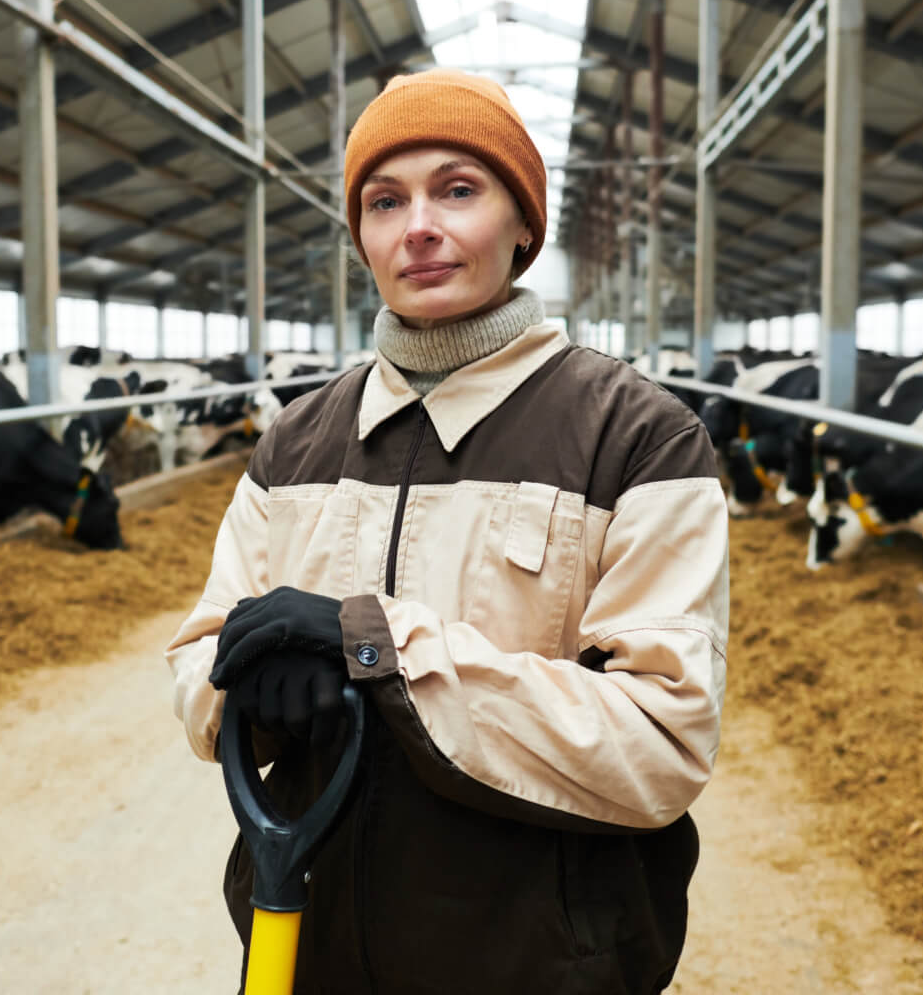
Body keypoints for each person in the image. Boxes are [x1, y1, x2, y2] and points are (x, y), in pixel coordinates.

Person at [165, 68, 729, 994]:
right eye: (384, 202)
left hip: (539, 957)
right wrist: (252, 686)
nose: (417, 226)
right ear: (362, 239)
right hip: (306, 936)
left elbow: (661, 742)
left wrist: (379, 651)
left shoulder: (639, 438)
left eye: (457, 190)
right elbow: (197, 661)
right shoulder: (296, 441)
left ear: (523, 225)